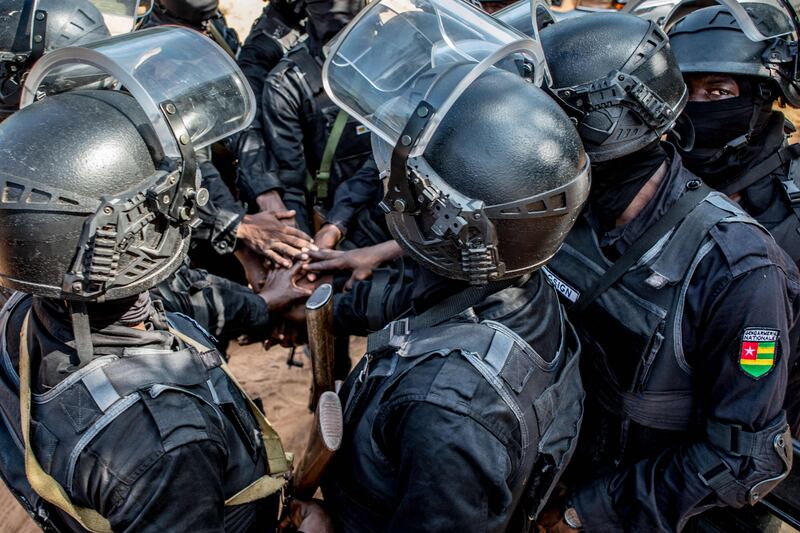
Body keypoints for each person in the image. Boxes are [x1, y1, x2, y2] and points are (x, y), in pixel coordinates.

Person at [281, 0, 590, 530]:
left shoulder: (446, 410)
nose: (384, 185)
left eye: (392, 180)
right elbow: (417, 302)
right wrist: (311, 307)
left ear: (441, 221)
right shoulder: (515, 278)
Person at [0, 28, 317, 532]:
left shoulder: (21, 312)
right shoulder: (170, 444)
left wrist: (265, 306)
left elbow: (181, 301)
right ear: (131, 236)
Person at [539, 12, 800, 531]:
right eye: (691, 88)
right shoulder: (585, 207)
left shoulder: (744, 265)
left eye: (720, 91)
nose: (702, 106)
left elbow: (743, 454)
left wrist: (586, 514)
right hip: (583, 460)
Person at [667, 1, 800, 264]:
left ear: (762, 96)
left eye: (719, 92)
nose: (695, 104)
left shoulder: (790, 202)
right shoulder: (651, 173)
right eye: (684, 91)